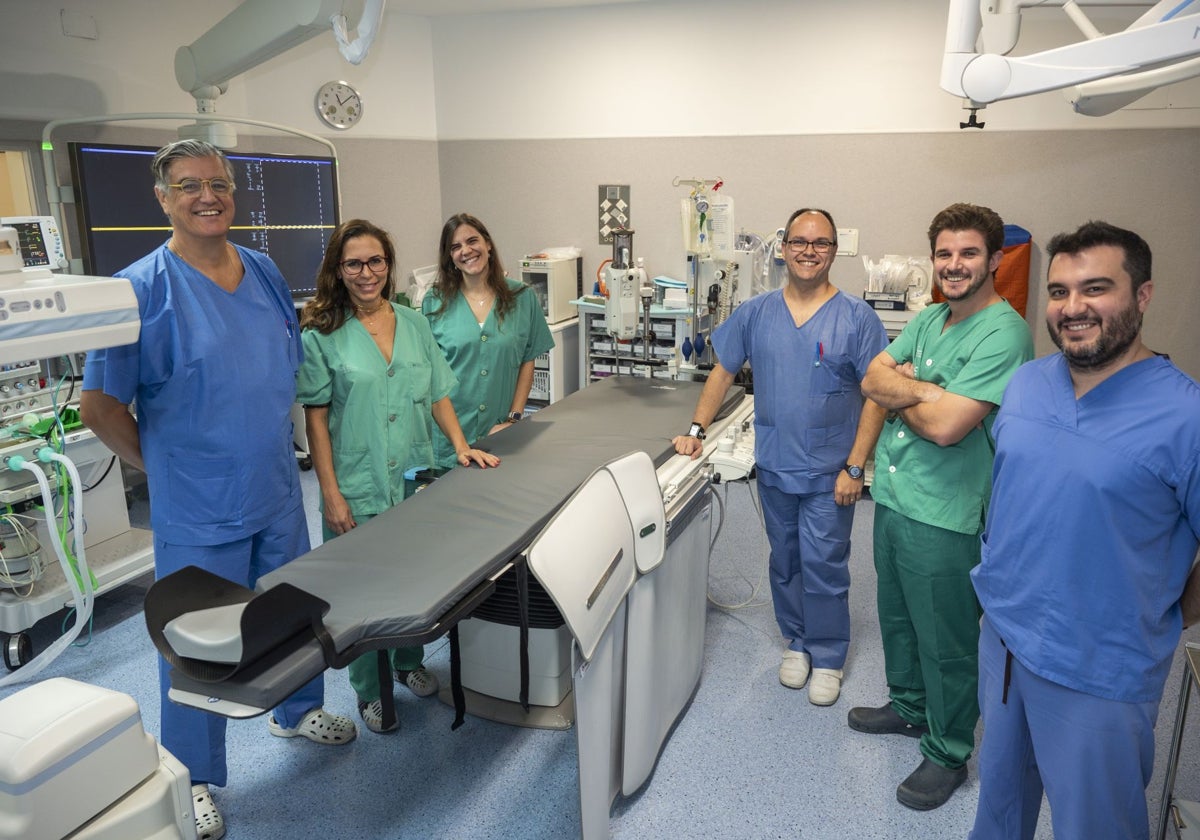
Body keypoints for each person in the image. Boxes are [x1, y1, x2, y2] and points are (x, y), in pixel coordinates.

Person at [78, 139, 355, 840]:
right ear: (163, 197)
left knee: (292, 615)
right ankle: (192, 776)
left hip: (272, 489)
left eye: (220, 185)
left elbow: (277, 369)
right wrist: (162, 468)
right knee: (196, 644)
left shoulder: (260, 270)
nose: (209, 196)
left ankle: (296, 713)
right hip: (197, 507)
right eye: (190, 185)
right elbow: (99, 406)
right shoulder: (139, 288)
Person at [969, 221, 1200, 840]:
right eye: (1059, 291)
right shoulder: (1025, 385)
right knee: (999, 809)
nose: (1073, 308)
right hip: (1006, 645)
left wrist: (1158, 611)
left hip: (1101, 669)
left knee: (1095, 825)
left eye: (1095, 289)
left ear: (1143, 295)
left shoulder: (1185, 417)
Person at [851, 202, 1033, 811]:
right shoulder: (932, 318)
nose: (954, 265)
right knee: (898, 617)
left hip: (946, 513)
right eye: (944, 254)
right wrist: (924, 393)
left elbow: (950, 427)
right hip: (897, 497)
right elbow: (873, 378)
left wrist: (913, 395)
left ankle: (949, 747)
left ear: (995, 260)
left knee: (947, 638)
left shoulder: (1006, 332)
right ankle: (908, 708)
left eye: (968, 253)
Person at [673, 207, 888, 707]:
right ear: (784, 247)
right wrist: (695, 430)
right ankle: (797, 643)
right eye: (799, 241)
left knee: (825, 564)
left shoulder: (857, 317)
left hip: (832, 472)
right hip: (774, 465)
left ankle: (829, 655)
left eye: (821, 243)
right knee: (785, 561)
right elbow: (722, 371)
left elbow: (877, 394)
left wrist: (856, 465)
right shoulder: (756, 312)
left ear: (834, 251)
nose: (808, 250)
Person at [297, 218, 499, 734]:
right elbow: (315, 418)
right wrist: (331, 493)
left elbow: (437, 393)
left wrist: (461, 447)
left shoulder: (412, 322)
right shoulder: (322, 333)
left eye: (376, 261)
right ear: (338, 271)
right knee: (362, 591)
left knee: (412, 574)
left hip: (412, 478)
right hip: (356, 480)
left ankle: (408, 663)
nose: (367, 273)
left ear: (389, 265)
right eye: (354, 263)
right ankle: (368, 688)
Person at [421, 213, 554, 468]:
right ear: (450, 257)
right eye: (456, 247)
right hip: (448, 437)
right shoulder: (434, 301)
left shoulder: (522, 297)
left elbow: (528, 358)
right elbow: (431, 376)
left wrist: (514, 419)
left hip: (499, 433)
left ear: (488, 244)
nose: (466, 251)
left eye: (472, 241)